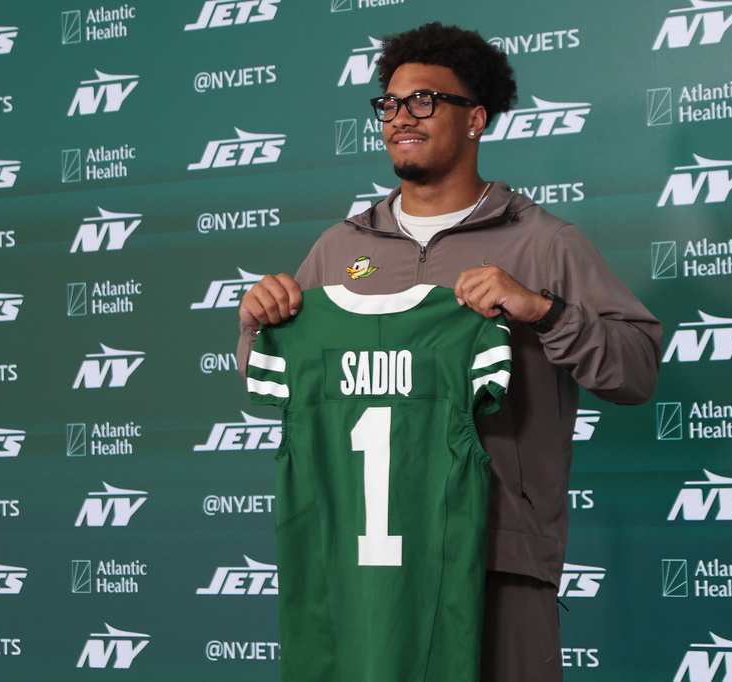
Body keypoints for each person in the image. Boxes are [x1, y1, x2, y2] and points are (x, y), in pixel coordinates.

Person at [237, 22, 662, 682]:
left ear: (476, 119)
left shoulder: (543, 242)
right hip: (366, 570)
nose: (401, 118)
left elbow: (636, 370)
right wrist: (257, 325)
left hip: (499, 557)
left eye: (425, 101)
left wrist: (543, 310)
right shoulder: (340, 249)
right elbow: (291, 383)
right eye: (390, 103)